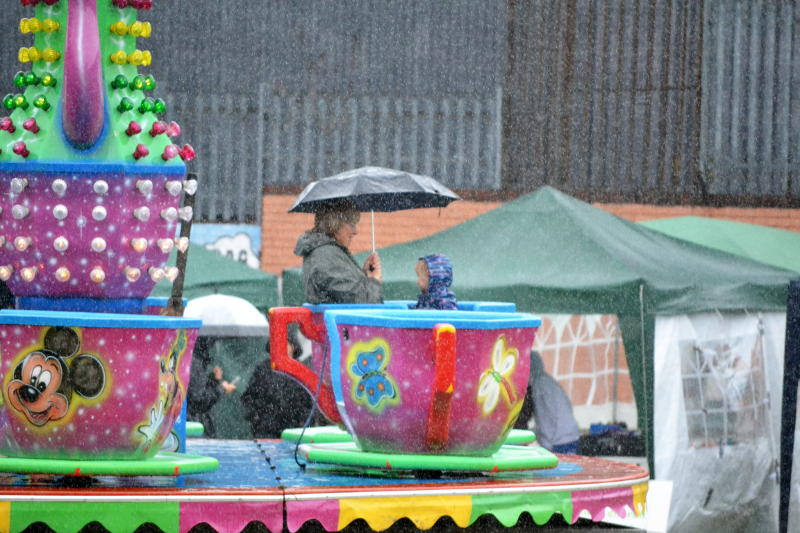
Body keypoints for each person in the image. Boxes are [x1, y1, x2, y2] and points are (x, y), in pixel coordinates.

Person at [294, 198, 383, 304]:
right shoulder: (326, 256)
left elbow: (343, 292)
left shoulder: (327, 253)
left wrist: (365, 275)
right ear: (335, 223)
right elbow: (362, 302)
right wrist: (374, 281)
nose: (356, 231)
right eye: (352, 224)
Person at [241, 326, 315, 438]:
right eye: (277, 343)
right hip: (265, 431)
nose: (280, 346)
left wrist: (303, 422)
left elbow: (310, 401)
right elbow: (249, 397)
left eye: (285, 343)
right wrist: (255, 417)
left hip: (294, 431)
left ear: (293, 347)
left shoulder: (302, 370)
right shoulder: (262, 369)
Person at [516, 351, 581, 454]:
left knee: (561, 468)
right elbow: (567, 406)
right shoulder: (548, 381)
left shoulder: (539, 386)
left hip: (559, 441)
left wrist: (545, 442)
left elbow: (545, 417)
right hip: (570, 435)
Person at [186, 337, 237, 438]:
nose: (212, 347)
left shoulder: (195, 360)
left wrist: (214, 380)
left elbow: (198, 390)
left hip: (197, 425)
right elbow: (199, 401)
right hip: (195, 428)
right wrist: (221, 389)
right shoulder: (194, 363)